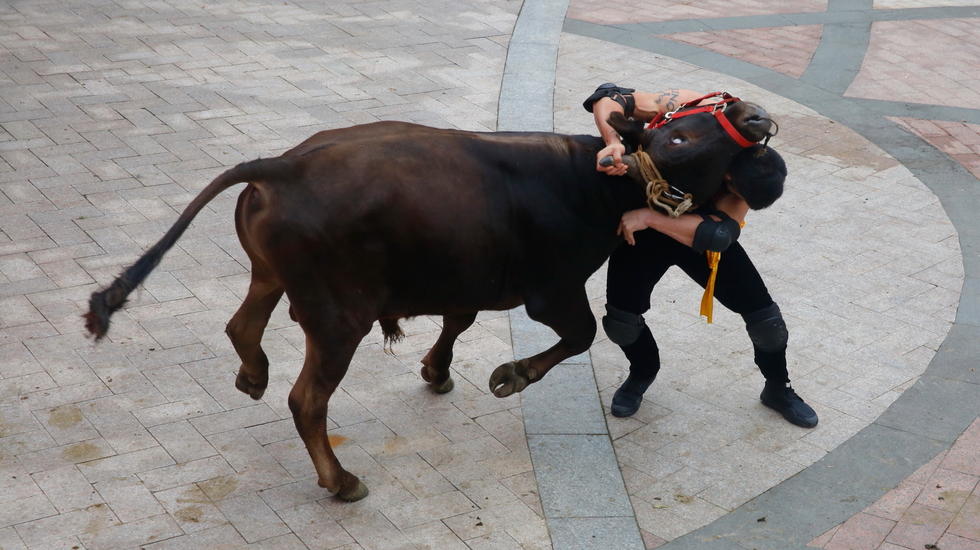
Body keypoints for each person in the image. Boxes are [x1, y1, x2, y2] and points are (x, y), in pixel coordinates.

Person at [584, 84, 818, 428]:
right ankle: (642, 373)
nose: (735, 195)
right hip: (642, 239)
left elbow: (717, 234)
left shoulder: (746, 175)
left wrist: (648, 217)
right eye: (735, 190)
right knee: (621, 323)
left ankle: (778, 388)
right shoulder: (689, 107)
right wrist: (612, 141)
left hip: (690, 237)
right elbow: (609, 97)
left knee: (767, 325)